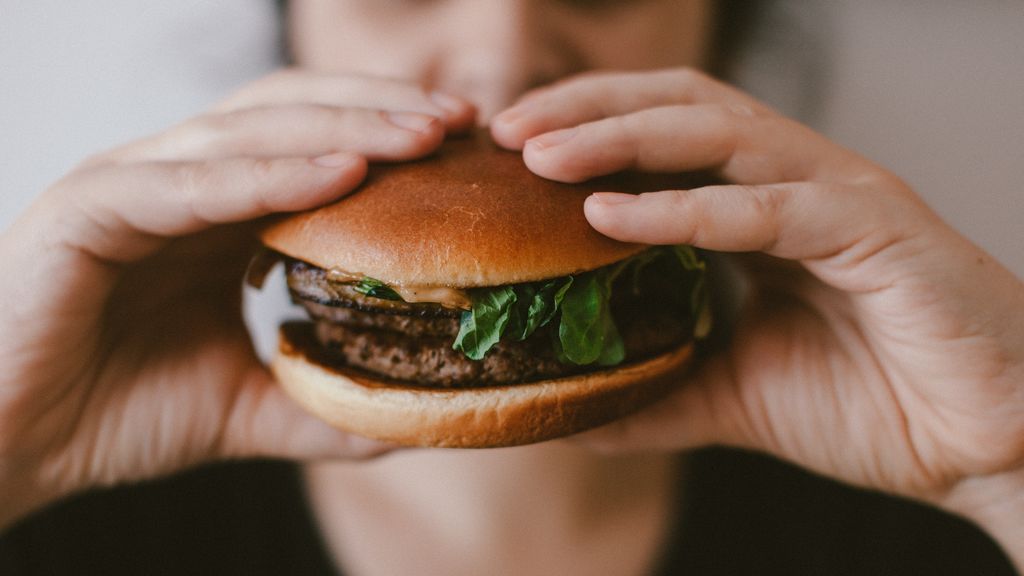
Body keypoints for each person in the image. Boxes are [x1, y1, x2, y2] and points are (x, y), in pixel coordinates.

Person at [1, 1, 1021, 574]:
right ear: (290, 24)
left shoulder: (917, 517)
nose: (502, 56)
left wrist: (1005, 467)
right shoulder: (72, 517)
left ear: (718, 31)